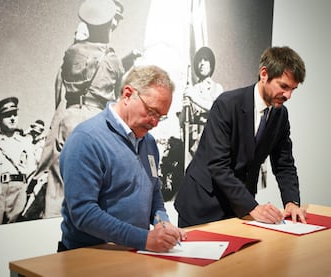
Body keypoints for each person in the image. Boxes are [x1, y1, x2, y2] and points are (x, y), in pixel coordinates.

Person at [174, 46, 307, 227]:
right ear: (264, 74)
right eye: (283, 86)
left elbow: (284, 164)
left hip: (239, 207)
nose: (288, 95)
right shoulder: (227, 104)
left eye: (293, 89)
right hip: (203, 204)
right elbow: (218, 165)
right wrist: (252, 207)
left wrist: (292, 202)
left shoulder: (280, 115)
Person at [58, 65, 186, 252]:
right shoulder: (86, 139)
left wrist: (162, 223)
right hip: (89, 257)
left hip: (133, 253)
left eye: (161, 117)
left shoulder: (148, 142)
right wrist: (143, 239)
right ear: (127, 94)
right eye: (152, 112)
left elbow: (154, 193)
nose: (155, 123)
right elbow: (83, 213)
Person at [27, 0, 125, 220]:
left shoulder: (71, 53)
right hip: (96, 120)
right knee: (95, 185)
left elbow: (59, 88)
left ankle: (53, 231)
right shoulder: (112, 59)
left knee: (58, 185)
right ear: (108, 25)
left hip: (68, 117)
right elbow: (119, 95)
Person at [0, 97, 36, 225]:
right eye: (8, 116)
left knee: (16, 228)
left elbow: (32, 168)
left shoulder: (26, 142)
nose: (13, 118)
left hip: (20, 189)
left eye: (15, 114)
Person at [181, 46, 223, 161]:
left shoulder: (217, 88)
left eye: (205, 60)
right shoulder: (192, 89)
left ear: (211, 64)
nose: (202, 63)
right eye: (199, 60)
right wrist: (185, 106)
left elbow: (216, 109)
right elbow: (183, 121)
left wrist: (194, 98)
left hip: (212, 140)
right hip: (194, 143)